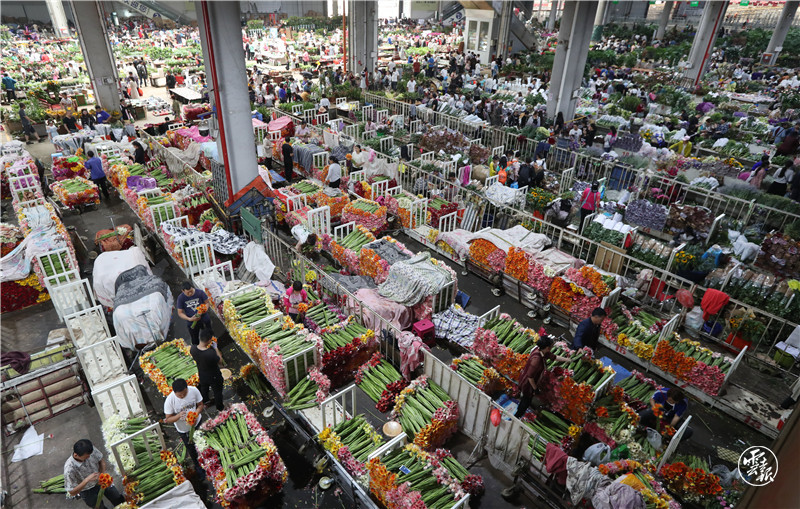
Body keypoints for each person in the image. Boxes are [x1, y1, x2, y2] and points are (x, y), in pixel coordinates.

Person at [514, 335, 570, 418]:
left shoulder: (542, 351)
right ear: (547, 347)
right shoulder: (537, 359)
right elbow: (530, 376)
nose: (551, 348)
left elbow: (554, 357)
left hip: (532, 381)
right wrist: (535, 388)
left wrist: (567, 360)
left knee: (527, 399)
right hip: (528, 384)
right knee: (526, 400)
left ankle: (519, 412)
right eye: (551, 347)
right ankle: (517, 416)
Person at [64, 440, 124, 508]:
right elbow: (72, 492)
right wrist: (87, 480)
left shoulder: (90, 450)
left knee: (117, 497)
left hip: (101, 481)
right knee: (99, 507)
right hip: (87, 491)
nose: (89, 457)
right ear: (76, 455)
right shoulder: (69, 469)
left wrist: (101, 474)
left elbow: (101, 461)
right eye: (86, 457)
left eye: (90, 455)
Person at [163, 378, 204, 471]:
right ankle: (198, 466)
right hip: (184, 429)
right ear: (174, 392)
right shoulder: (170, 400)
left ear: (187, 388)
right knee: (192, 448)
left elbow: (200, 405)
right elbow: (168, 419)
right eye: (179, 395)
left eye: (184, 394)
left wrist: (196, 413)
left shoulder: (193, 390)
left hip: (197, 423)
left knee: (203, 442)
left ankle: (208, 459)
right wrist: (178, 416)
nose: (182, 396)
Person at [190, 329, 225, 412]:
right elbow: (220, 362)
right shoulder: (210, 353)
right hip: (214, 376)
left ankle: (205, 401)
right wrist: (216, 348)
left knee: (204, 388)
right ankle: (220, 407)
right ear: (209, 340)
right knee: (217, 391)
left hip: (202, 374)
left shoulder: (193, 349)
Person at [176, 281, 212, 345]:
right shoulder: (180, 298)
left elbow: (207, 303)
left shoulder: (200, 292)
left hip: (203, 317)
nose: (190, 293)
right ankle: (197, 349)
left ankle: (211, 343)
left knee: (209, 332)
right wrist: (189, 319)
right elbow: (180, 313)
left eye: (191, 291)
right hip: (191, 320)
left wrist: (203, 310)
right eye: (188, 292)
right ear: (183, 291)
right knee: (194, 338)